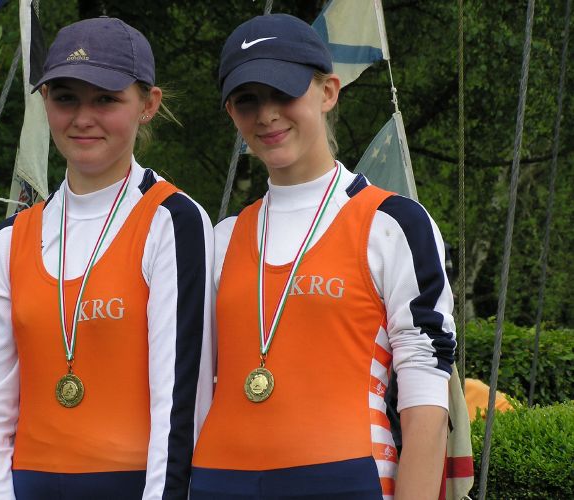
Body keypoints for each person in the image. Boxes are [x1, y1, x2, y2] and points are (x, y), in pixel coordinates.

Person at [191, 14, 456, 499]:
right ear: (231, 112)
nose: (266, 115)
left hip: (346, 480)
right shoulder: (221, 238)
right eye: (248, 100)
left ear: (328, 91)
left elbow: (426, 393)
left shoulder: (392, 224)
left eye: (283, 92)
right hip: (218, 482)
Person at [0, 17, 214, 499]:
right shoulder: (7, 242)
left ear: (148, 104)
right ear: (45, 101)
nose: (82, 118)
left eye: (105, 99)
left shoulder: (171, 221)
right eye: (65, 98)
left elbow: (180, 407)